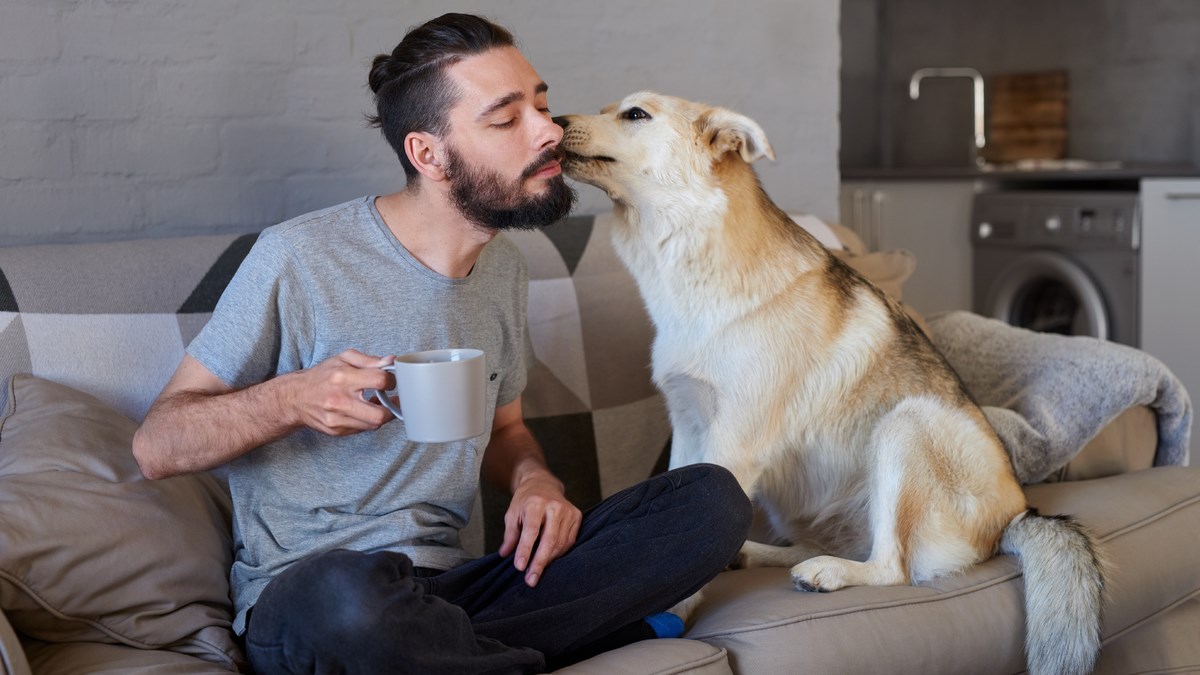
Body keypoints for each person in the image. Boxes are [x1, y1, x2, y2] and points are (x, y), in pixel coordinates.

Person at [132, 12, 750, 674]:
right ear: (428, 154)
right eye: (505, 118)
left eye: (540, 103)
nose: (549, 129)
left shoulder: (505, 269)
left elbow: (506, 427)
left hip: (460, 589)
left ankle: (470, 655)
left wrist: (535, 480)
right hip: (313, 596)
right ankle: (553, 645)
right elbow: (157, 446)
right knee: (347, 596)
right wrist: (292, 399)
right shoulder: (298, 257)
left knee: (710, 502)